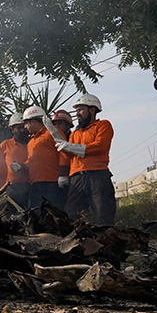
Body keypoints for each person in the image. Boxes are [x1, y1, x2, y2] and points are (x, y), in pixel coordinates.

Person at [56, 94, 116, 225]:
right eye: (77, 110)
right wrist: (64, 149)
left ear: (92, 110)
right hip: (76, 177)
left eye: (81, 109)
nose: (77, 114)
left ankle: (105, 242)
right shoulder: (75, 134)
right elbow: (69, 156)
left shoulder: (103, 125)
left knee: (102, 213)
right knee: (71, 214)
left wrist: (71, 147)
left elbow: (100, 146)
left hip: (97, 175)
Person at [20, 106, 70, 209]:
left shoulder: (53, 132)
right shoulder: (31, 142)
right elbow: (31, 162)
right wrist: (21, 166)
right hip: (35, 184)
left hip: (52, 183)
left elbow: (64, 152)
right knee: (37, 215)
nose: (25, 127)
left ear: (33, 121)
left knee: (54, 214)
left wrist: (63, 174)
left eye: (26, 123)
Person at [0, 112, 30, 207]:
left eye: (23, 127)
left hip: (30, 185)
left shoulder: (32, 144)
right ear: (12, 129)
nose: (22, 130)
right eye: (18, 128)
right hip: (11, 187)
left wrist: (22, 166)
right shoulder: (5, 145)